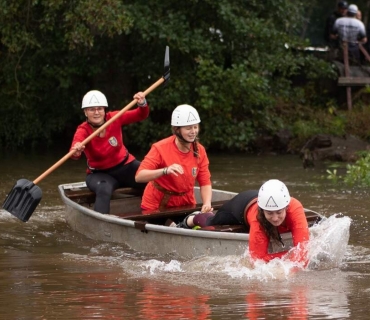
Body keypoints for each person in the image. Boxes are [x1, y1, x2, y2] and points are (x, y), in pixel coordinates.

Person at [185, 179, 309, 263]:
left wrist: (293, 258)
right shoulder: (258, 219)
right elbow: (257, 260)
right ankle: (192, 219)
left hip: (257, 197)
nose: (275, 218)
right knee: (210, 222)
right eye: (269, 213)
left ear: (286, 207)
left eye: (279, 212)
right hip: (239, 207)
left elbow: (303, 252)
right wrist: (290, 256)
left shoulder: (295, 208)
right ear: (262, 211)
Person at [70, 90, 149, 214]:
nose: (96, 112)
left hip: (126, 166)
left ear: (104, 110)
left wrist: (142, 103)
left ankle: (155, 214)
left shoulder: (114, 118)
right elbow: (74, 152)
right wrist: (77, 150)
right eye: (91, 109)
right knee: (104, 189)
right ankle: (100, 225)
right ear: (85, 112)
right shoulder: (83, 130)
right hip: (100, 174)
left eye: (99, 109)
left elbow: (140, 115)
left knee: (151, 177)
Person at [135, 104, 213, 216]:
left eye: (195, 127)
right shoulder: (160, 148)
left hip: (185, 204)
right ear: (177, 129)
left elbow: (205, 182)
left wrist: (207, 203)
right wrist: (165, 170)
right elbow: (139, 176)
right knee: (172, 225)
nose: (193, 131)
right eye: (188, 128)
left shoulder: (200, 150)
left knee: (201, 222)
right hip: (157, 206)